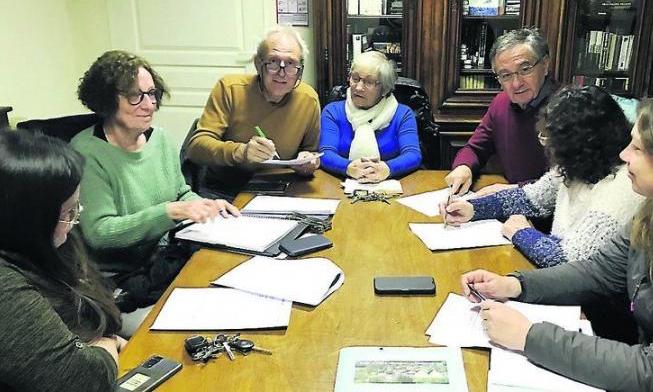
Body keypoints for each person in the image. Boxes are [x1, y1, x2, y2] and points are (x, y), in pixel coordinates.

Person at [462, 90, 653, 391]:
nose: (624, 155)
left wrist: (529, 336)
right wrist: (515, 284)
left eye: (638, 148)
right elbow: (597, 271)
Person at [71, 50, 238, 335]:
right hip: (121, 282)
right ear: (107, 100)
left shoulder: (159, 140)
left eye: (152, 94)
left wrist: (207, 206)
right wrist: (170, 212)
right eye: (136, 96)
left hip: (165, 262)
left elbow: (182, 192)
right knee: (189, 332)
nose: (149, 105)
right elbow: (99, 233)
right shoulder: (86, 152)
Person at [441, 86, 643, 267]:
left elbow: (567, 259)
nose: (548, 147)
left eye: (554, 140)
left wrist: (520, 232)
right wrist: (473, 208)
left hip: (590, 302)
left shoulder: (623, 186)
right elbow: (531, 198)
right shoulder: (577, 165)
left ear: (581, 145)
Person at [0, 129, 123, 390]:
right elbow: (81, 381)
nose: (73, 222)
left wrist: (104, 342)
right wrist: (106, 345)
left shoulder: (51, 243)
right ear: (24, 219)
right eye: (67, 212)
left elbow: (95, 316)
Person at [186, 26, 322, 196]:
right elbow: (196, 147)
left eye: (290, 64)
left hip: (280, 188)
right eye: (273, 62)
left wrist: (308, 163)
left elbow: (312, 151)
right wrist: (242, 152)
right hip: (224, 189)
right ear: (258, 65)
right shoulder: (229, 89)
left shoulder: (308, 99)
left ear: (299, 70)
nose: (282, 73)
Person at [445, 27, 559, 196]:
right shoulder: (501, 103)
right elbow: (475, 148)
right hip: (513, 208)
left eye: (525, 69)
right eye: (505, 75)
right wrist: (464, 167)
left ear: (545, 65)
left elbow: (569, 183)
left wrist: (512, 192)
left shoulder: (568, 108)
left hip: (552, 215)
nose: (516, 84)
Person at [319, 51, 421, 182]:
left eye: (369, 82)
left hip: (389, 185)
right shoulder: (333, 111)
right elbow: (325, 153)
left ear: (384, 88)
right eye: (355, 79)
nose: (359, 87)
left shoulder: (402, 114)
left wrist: (387, 168)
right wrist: (348, 167)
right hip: (342, 184)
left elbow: (413, 155)